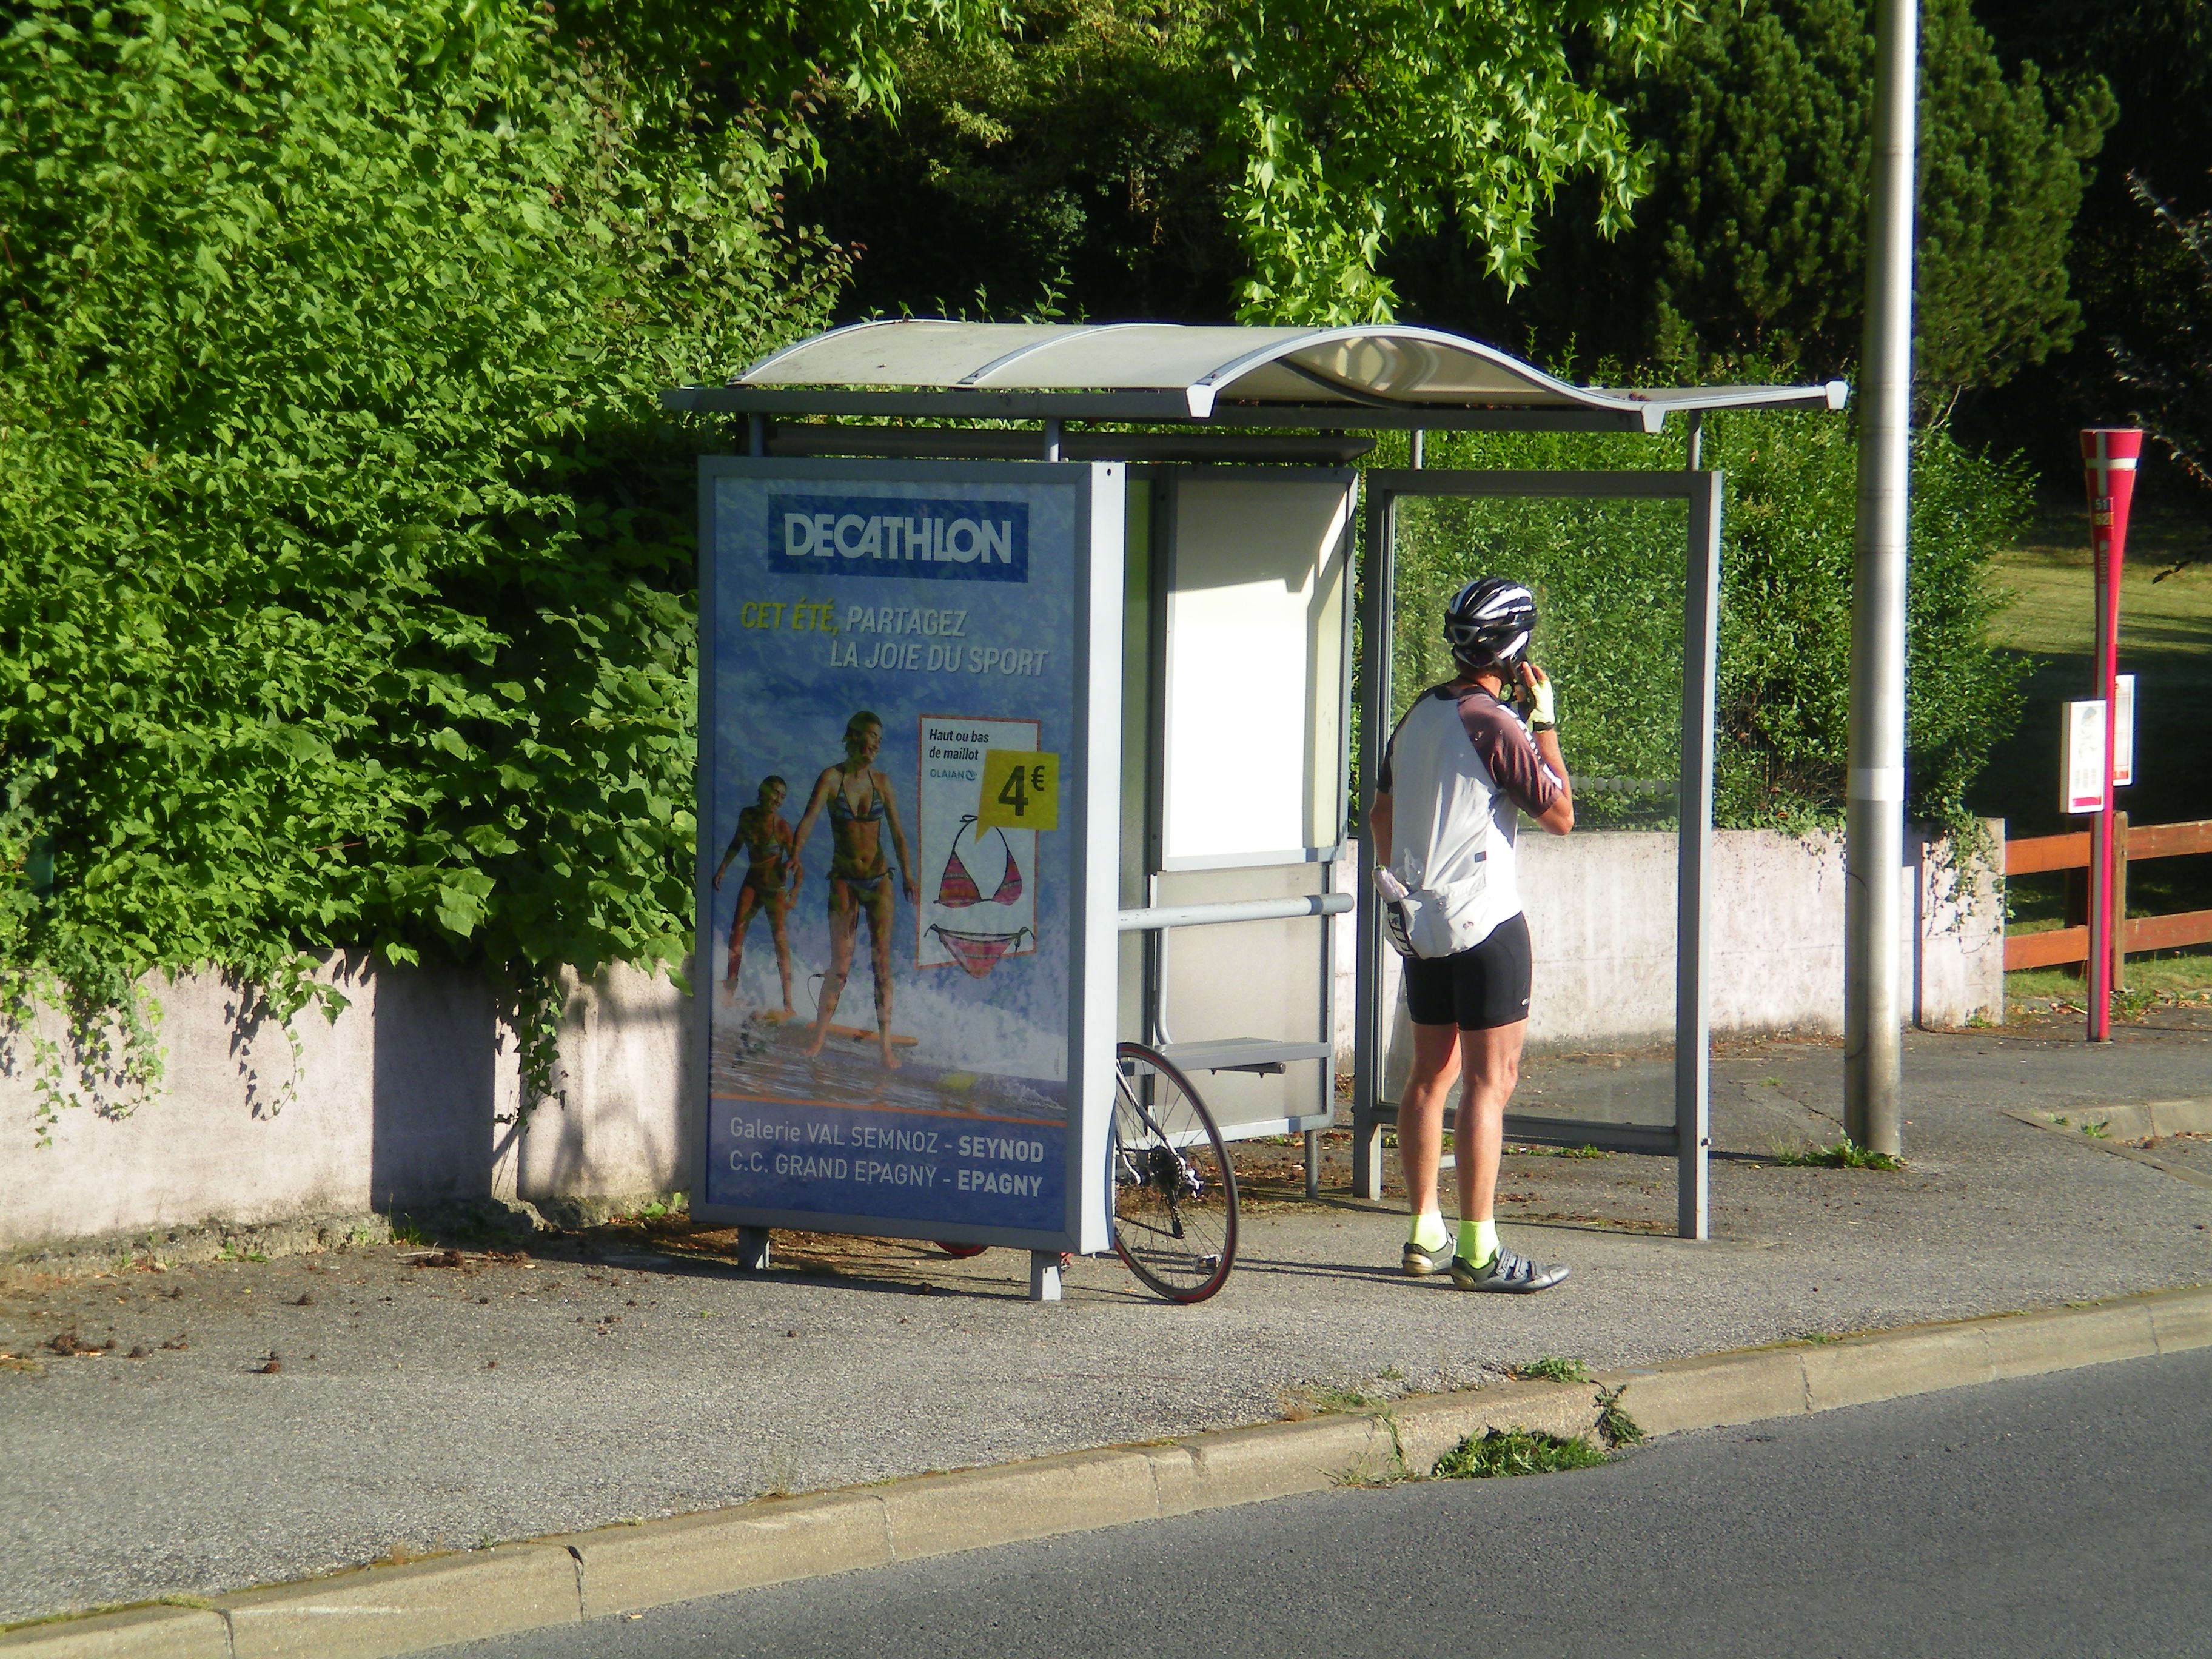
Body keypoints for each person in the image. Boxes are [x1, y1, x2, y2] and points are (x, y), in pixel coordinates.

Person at [1369, 577, 1575, 1292]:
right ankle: (1480, 1250)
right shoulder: (1496, 723)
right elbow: (1559, 814)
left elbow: (1381, 813)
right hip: (1487, 924)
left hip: (1421, 922)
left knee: (1430, 1077)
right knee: (1491, 1084)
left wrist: (1403, 878)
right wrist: (1543, 721)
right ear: (1517, 649)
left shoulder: (1419, 715)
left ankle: (1425, 1228)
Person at [791, 711, 920, 1069]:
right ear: (850, 738)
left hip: (880, 881)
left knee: (882, 964)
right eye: (867, 738)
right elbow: (809, 819)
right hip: (845, 881)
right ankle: (818, 1039)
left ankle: (885, 1047)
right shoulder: (832, 779)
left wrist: (908, 875)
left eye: (878, 740)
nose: (872, 745)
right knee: (841, 967)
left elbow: (897, 833)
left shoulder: (883, 782)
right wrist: (795, 856)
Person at [712, 775, 800, 1015]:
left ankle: (789, 1005)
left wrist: (795, 891)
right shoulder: (747, 816)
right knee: (736, 933)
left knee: (780, 942)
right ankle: (730, 993)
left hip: (774, 890)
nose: (778, 800)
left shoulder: (782, 828)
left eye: (782, 797)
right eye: (775, 793)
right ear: (762, 791)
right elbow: (736, 843)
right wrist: (722, 869)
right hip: (752, 882)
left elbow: (797, 865)